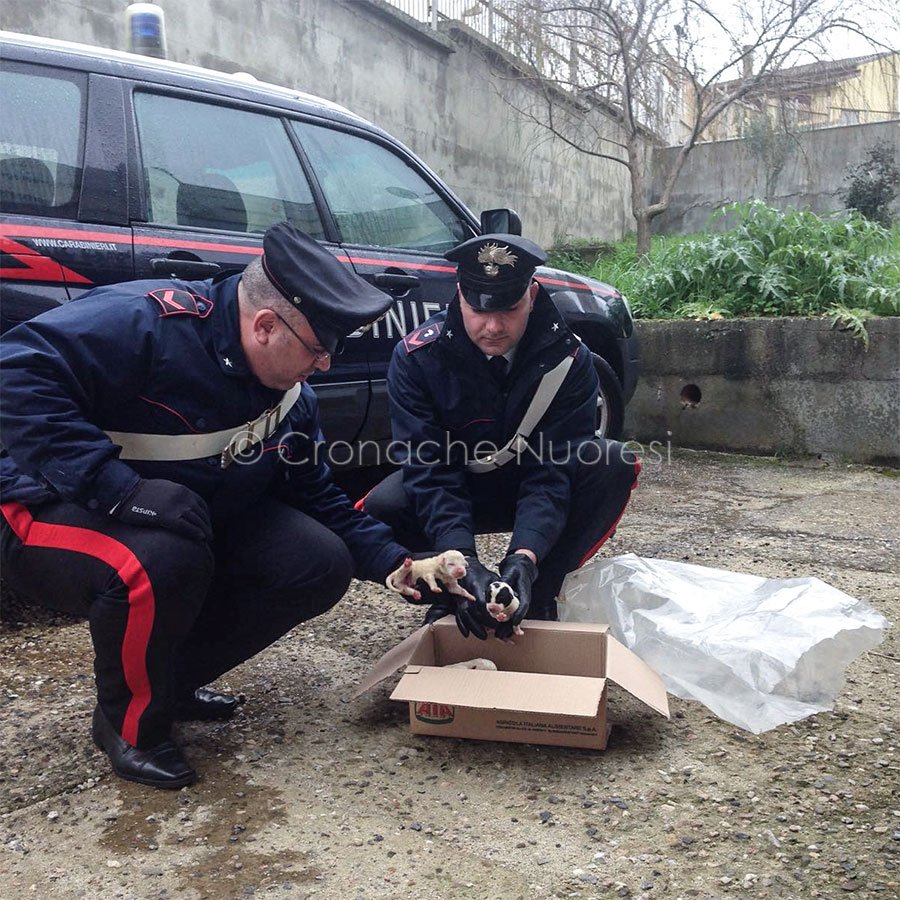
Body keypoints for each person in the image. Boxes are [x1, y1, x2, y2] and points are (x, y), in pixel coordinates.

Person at [0, 222, 418, 790]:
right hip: (46, 501)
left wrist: (401, 565)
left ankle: (166, 683)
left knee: (317, 561)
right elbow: (15, 371)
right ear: (266, 325)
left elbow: (314, 493)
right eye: (318, 349)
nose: (324, 366)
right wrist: (115, 486)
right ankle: (129, 726)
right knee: (161, 561)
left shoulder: (291, 396)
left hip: (175, 512)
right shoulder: (143, 323)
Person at [359, 233, 640, 639]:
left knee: (611, 463)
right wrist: (464, 562)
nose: (491, 326)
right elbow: (431, 472)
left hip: (527, 481)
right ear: (459, 295)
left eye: (508, 309)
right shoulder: (417, 358)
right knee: (381, 509)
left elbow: (552, 473)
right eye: (477, 309)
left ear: (532, 293)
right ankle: (453, 594)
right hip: (461, 483)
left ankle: (539, 592)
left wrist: (526, 559)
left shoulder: (569, 360)